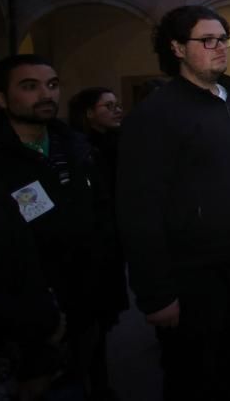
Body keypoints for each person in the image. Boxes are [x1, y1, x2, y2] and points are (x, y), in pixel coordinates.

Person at [116, 5, 230, 401]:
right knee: (197, 379)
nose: (219, 47)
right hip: (197, 279)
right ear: (177, 48)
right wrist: (156, 294)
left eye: (223, 39)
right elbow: (140, 208)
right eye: (206, 40)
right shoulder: (156, 114)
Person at [0, 55, 107, 399]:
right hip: (24, 325)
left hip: (84, 305)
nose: (45, 94)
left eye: (52, 85)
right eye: (29, 86)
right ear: (0, 98)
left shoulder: (76, 149)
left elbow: (100, 222)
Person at [67, 86, 130, 400]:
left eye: (117, 104)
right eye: (108, 106)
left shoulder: (117, 144)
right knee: (87, 327)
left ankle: (98, 381)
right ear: (89, 113)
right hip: (90, 248)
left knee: (100, 323)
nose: (117, 110)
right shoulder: (79, 150)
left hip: (110, 244)